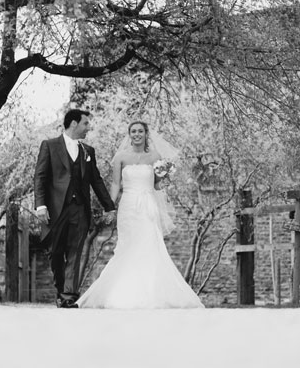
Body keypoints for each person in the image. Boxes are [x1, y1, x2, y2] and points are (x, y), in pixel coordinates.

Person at [77, 121, 205, 309]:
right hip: (128, 206)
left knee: (149, 246)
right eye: (133, 131)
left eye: (140, 131)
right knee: (127, 247)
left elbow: (157, 185)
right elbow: (114, 184)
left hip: (147, 206)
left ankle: (151, 294)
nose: (137, 134)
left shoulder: (155, 156)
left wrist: (166, 178)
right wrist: (110, 206)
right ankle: (122, 293)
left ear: (146, 134)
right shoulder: (120, 157)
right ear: (129, 134)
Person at [34, 109, 116, 308]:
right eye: (85, 123)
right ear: (73, 124)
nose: (89, 128)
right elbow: (40, 177)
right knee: (55, 253)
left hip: (79, 209)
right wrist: (40, 205)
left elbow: (96, 181)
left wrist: (109, 207)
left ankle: (69, 295)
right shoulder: (50, 146)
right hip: (55, 209)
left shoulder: (89, 151)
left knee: (74, 252)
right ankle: (62, 291)